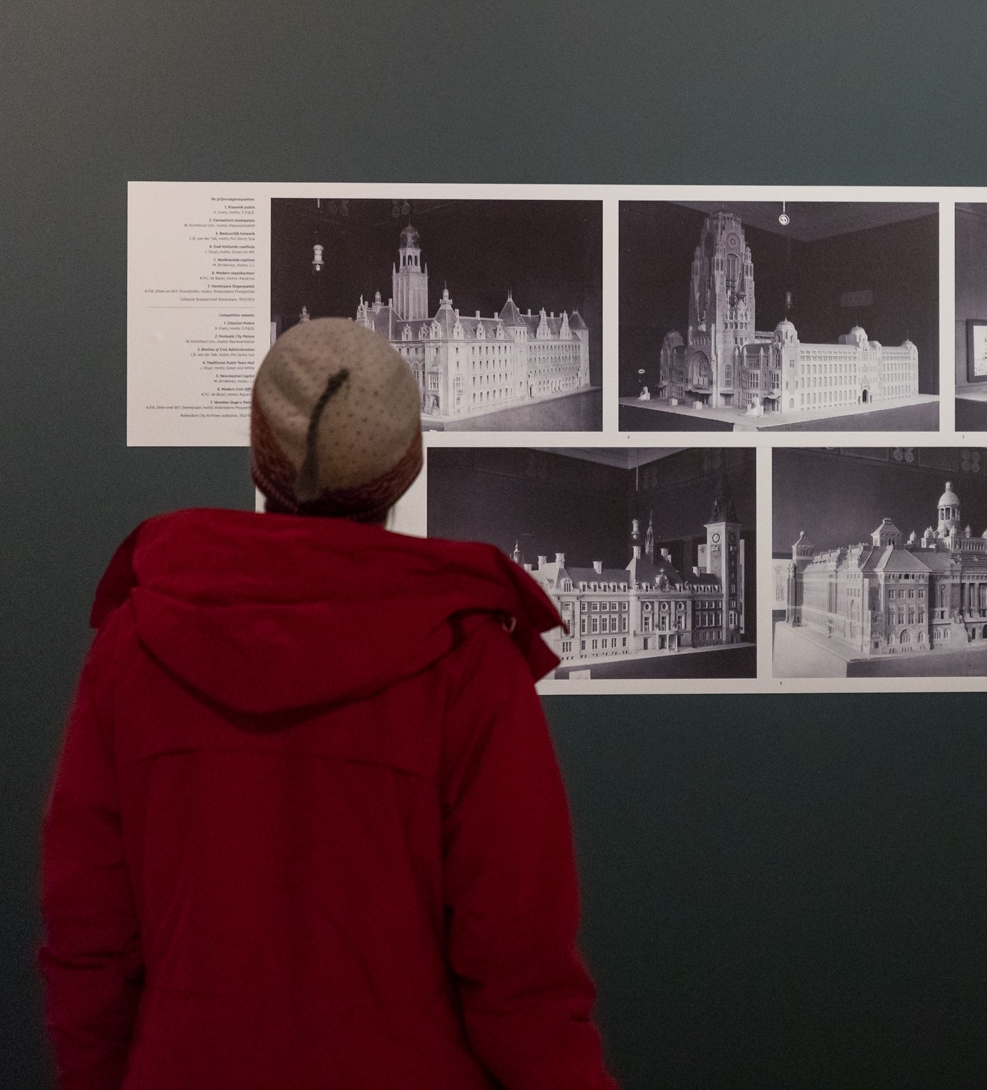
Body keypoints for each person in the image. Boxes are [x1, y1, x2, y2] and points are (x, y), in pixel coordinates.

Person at [39, 319, 615, 1090]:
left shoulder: (135, 645)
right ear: (407, 465)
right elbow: (521, 970)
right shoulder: (468, 662)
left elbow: (89, 940)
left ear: (259, 454)